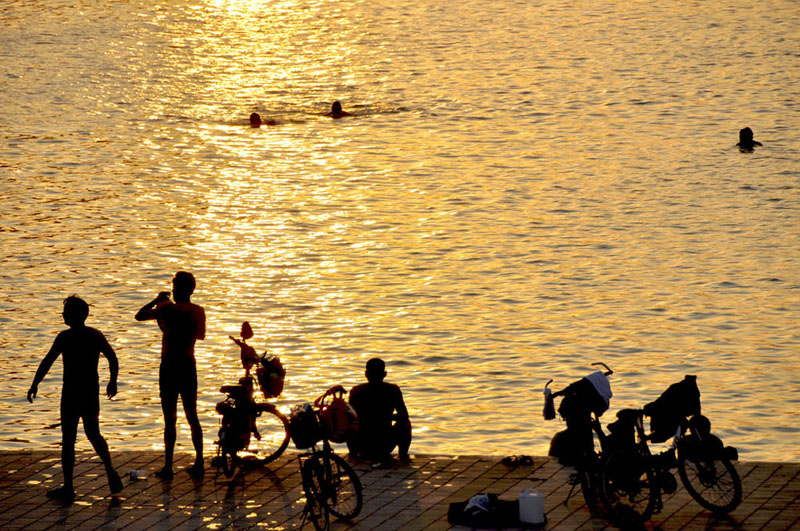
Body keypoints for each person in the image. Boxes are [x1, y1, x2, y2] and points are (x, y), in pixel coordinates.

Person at [27, 295, 122, 505]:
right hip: (89, 392)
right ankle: (108, 468)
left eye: (66, 312)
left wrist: (35, 383)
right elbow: (113, 358)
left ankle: (69, 486)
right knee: (93, 433)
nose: (63, 315)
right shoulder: (95, 335)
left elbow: (47, 361)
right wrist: (112, 381)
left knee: (68, 439)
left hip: (70, 394)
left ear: (73, 315)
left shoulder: (64, 337)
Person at [135, 271, 206, 479]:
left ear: (178, 290)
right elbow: (200, 335)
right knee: (192, 415)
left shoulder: (167, 310)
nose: (173, 291)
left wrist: (157, 300)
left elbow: (139, 315)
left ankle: (168, 466)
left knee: (170, 418)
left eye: (174, 287)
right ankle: (199, 461)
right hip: (188, 364)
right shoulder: (197, 311)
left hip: (169, 366)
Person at [348, 358, 411, 461]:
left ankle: (353, 453)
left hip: (361, 443)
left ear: (366, 374)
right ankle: (403, 455)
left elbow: (349, 416)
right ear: (384, 374)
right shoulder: (392, 390)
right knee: (406, 424)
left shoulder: (357, 391)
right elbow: (404, 415)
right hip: (385, 443)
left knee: (349, 423)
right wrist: (387, 417)